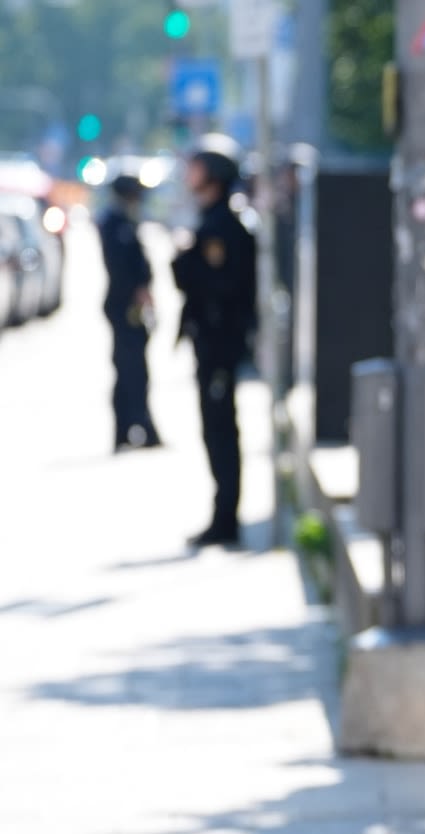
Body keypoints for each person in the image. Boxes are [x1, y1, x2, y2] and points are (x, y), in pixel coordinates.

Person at [171, 146, 257, 548]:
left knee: (221, 430)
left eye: (197, 168)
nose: (190, 174)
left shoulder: (224, 225)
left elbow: (217, 283)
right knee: (213, 428)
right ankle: (222, 516)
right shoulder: (210, 220)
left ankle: (227, 520)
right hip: (210, 340)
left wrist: (185, 261)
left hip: (220, 343)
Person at [98, 175, 162, 452]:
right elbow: (123, 268)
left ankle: (135, 426)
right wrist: (139, 292)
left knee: (135, 368)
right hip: (124, 306)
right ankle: (132, 427)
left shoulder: (124, 220)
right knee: (129, 368)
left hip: (130, 305)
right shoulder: (115, 223)